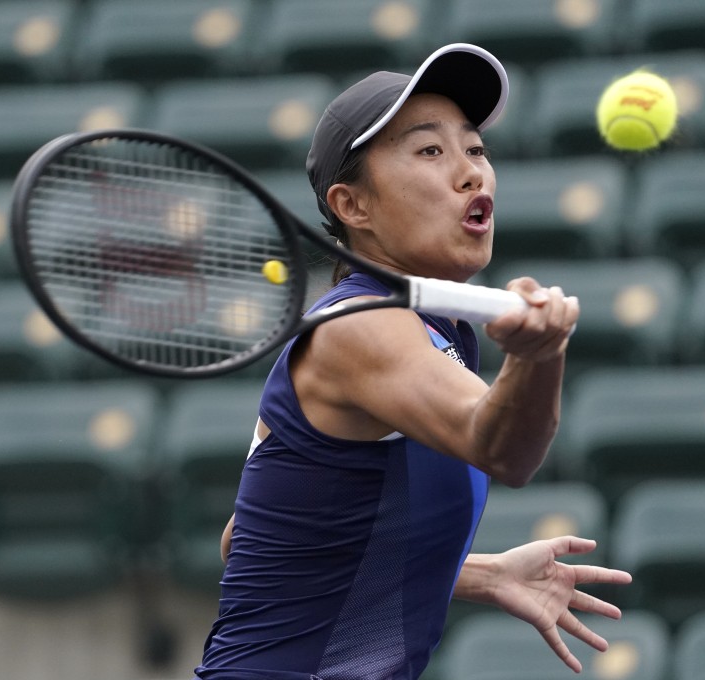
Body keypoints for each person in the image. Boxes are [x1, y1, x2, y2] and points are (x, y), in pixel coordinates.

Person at [194, 43, 632, 680]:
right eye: (430, 151)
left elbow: (255, 539)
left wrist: (479, 573)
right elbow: (504, 451)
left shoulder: (441, 329)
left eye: (475, 148)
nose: (471, 172)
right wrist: (538, 357)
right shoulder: (361, 327)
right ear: (353, 207)